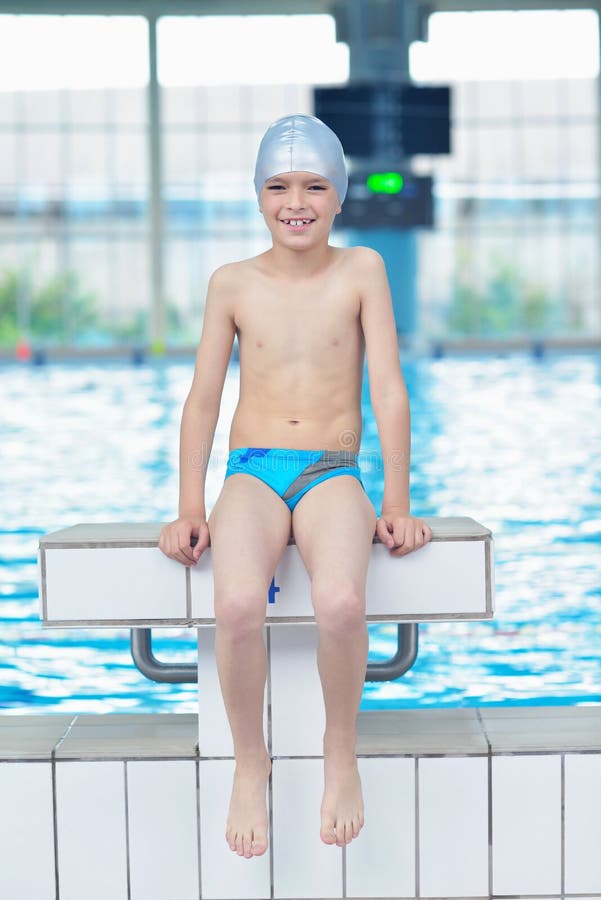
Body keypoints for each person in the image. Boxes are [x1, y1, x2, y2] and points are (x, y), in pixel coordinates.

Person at [159, 113, 432, 860]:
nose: (296, 201)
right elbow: (204, 400)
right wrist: (189, 503)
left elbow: (388, 390)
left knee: (342, 600)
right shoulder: (232, 283)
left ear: (339, 196)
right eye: (278, 186)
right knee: (237, 603)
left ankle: (338, 752)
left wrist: (398, 503)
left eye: (314, 185)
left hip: (331, 470)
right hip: (251, 470)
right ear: (257, 197)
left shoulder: (362, 271)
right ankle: (253, 762)